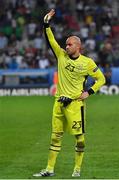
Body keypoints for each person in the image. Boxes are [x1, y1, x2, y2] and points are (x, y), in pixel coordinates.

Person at [33, 9, 105, 178]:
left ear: (78, 46)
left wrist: (89, 92)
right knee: (55, 138)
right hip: (59, 103)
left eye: (70, 44)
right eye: (65, 44)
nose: (66, 47)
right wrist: (46, 23)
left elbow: (101, 79)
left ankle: (77, 168)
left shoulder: (87, 63)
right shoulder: (61, 55)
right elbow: (50, 39)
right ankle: (49, 169)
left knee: (80, 139)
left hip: (75, 104)